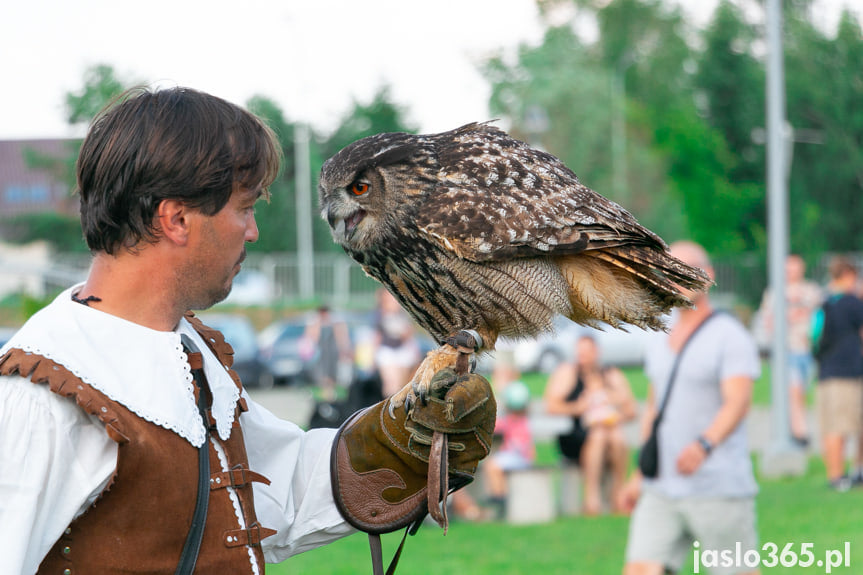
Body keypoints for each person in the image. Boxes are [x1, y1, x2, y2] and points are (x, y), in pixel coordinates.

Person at [0, 86, 496, 574]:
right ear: (176, 220)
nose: (254, 230)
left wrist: (401, 439)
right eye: (244, 207)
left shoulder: (190, 349)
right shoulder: (40, 396)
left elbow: (273, 488)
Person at [618, 241, 761, 575]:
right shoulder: (658, 335)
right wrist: (641, 473)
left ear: (708, 277)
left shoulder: (730, 336)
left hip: (717, 486)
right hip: (662, 488)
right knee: (639, 568)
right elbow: (654, 407)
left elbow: (738, 402)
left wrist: (704, 444)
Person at [545, 334, 636, 515]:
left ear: (597, 352)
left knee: (614, 434)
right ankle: (592, 497)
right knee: (599, 433)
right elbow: (551, 405)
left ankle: (618, 493)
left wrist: (614, 411)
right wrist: (578, 408)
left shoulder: (611, 375)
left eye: (587, 352)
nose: (583, 357)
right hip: (575, 434)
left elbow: (631, 409)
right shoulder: (568, 373)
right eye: (580, 353)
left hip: (608, 435)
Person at [756, 254, 822, 444]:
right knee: (794, 389)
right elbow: (768, 319)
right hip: (786, 349)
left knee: (800, 392)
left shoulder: (811, 290)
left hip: (807, 348)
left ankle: (794, 427)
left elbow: (817, 314)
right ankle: (800, 432)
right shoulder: (775, 292)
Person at [813, 256, 863, 491]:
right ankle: (841, 477)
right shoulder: (852, 302)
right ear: (849, 276)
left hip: (825, 372)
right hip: (848, 373)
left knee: (830, 425)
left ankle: (836, 475)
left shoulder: (825, 302)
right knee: (844, 426)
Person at [483, 379, 535, 519]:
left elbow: (493, 428)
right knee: (494, 464)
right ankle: (499, 495)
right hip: (523, 457)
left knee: (492, 465)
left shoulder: (510, 421)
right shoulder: (525, 420)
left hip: (519, 457)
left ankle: (499, 495)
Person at [373, 288, 422, 397]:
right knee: (391, 385)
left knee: (403, 385)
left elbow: (409, 334)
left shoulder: (402, 314)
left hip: (402, 350)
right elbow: (378, 336)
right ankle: (389, 407)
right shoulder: (381, 314)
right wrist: (373, 356)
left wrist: (414, 350)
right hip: (388, 350)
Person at [301, 305, 353, 399]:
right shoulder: (315, 323)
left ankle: (331, 394)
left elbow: (341, 337)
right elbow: (312, 338)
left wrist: (344, 350)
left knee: (332, 374)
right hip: (321, 354)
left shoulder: (335, 322)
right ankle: (326, 394)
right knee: (322, 375)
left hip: (332, 353)